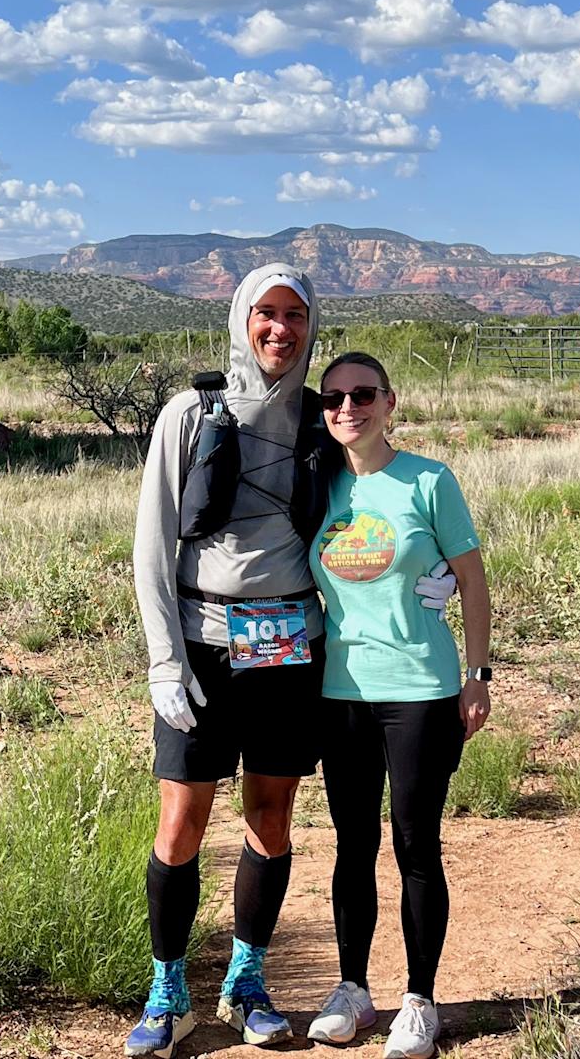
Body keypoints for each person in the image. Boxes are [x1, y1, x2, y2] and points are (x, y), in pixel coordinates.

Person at [127, 268, 456, 1058]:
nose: (281, 329)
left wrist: (427, 576)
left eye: (296, 316)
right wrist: (164, 662)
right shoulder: (189, 413)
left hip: (290, 649)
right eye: (266, 314)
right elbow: (149, 546)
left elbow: (372, 505)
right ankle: (167, 989)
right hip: (204, 646)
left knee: (270, 817)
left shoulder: (321, 419)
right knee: (181, 821)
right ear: (241, 320)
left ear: (312, 327)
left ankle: (247, 981)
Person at [302, 352, 492, 1059]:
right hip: (341, 692)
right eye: (332, 399)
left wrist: (477, 674)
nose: (347, 408)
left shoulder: (430, 480)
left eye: (362, 395)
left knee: (416, 845)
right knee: (352, 845)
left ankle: (419, 999)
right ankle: (352, 990)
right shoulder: (318, 487)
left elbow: (472, 582)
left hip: (420, 689)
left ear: (389, 402)